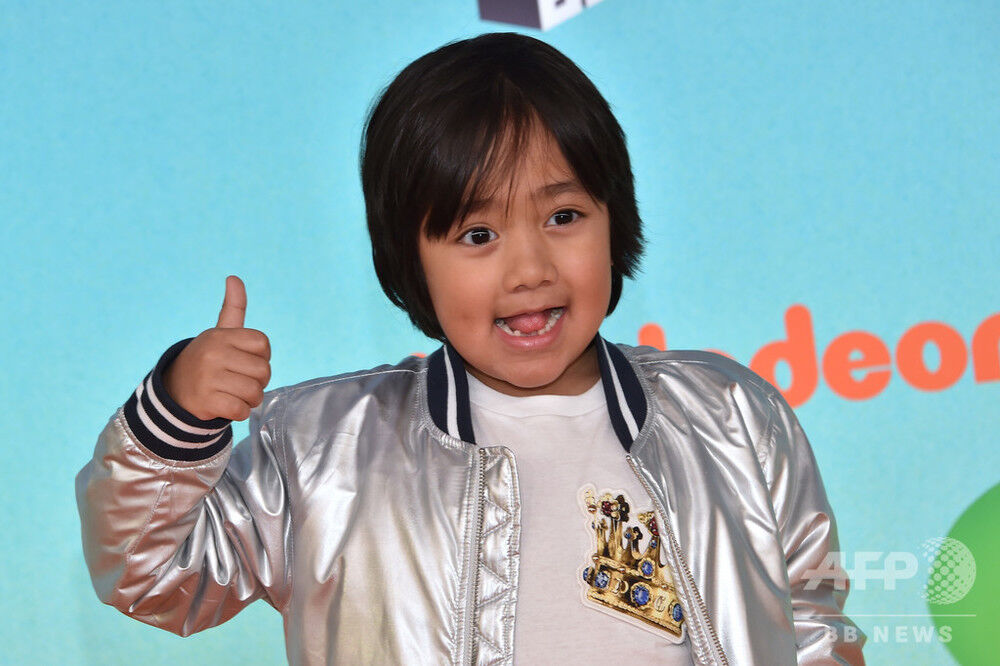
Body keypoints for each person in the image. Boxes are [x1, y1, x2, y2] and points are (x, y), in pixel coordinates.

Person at [75, 32, 865, 665]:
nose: (529, 269)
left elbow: (811, 616)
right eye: (478, 234)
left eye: (563, 217)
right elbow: (151, 575)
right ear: (409, 260)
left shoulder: (730, 413)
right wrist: (176, 417)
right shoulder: (324, 450)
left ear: (615, 218)